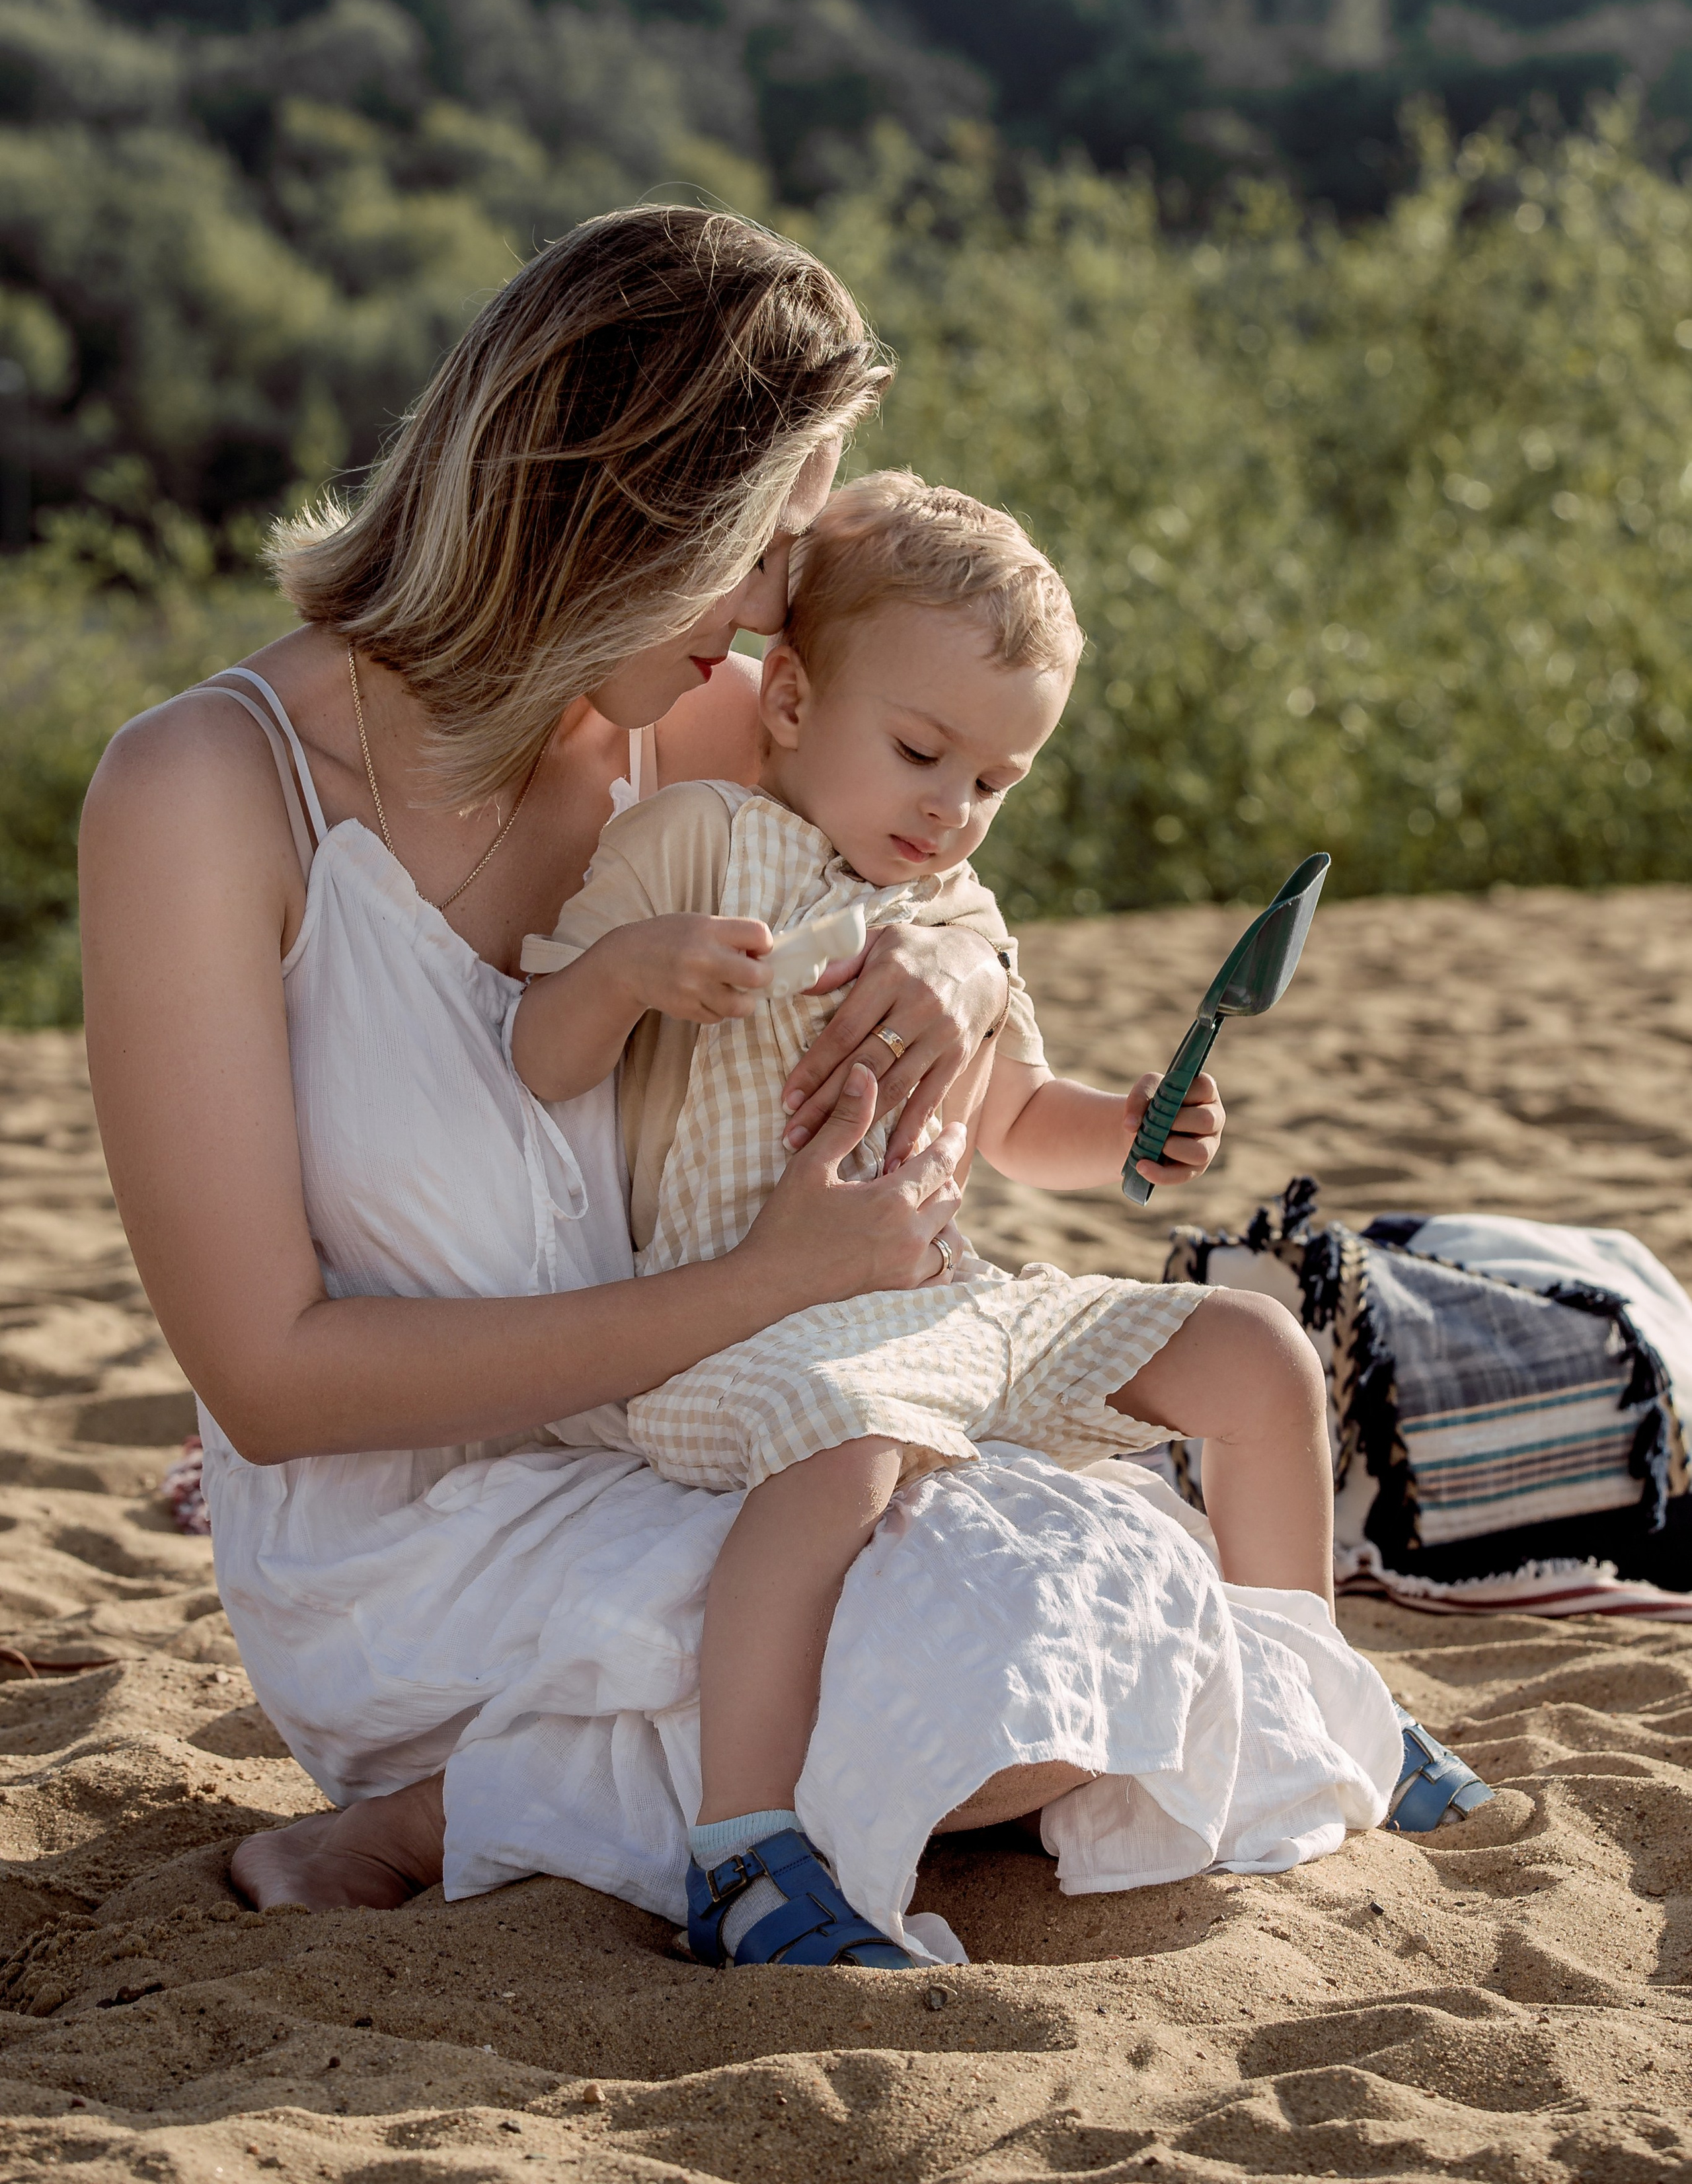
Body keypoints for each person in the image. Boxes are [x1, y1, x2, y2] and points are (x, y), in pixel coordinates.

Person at [77, 205, 1410, 1969]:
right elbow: (268, 1380)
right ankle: (432, 1805)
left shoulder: (670, 718)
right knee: (1004, 1676)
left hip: (726, 1445)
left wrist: (955, 971)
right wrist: (761, 1287)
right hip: (425, 1547)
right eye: (767, 543)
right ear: (626, 513)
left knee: (1108, 1611)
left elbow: (917, 856)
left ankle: (611, 1792)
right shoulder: (204, 793)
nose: (782, 605)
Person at [514, 474, 1487, 1969]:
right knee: (847, 1443)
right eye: (919, 753)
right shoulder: (691, 847)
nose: (949, 809)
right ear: (787, 705)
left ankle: (1297, 1694)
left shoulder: (958, 915)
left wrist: (1133, 1130)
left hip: (947, 1298)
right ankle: (743, 1844)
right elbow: (539, 1056)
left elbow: (1015, 1117)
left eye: (991, 781)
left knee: (1250, 1350)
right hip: (742, 1319)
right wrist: (631, 972)